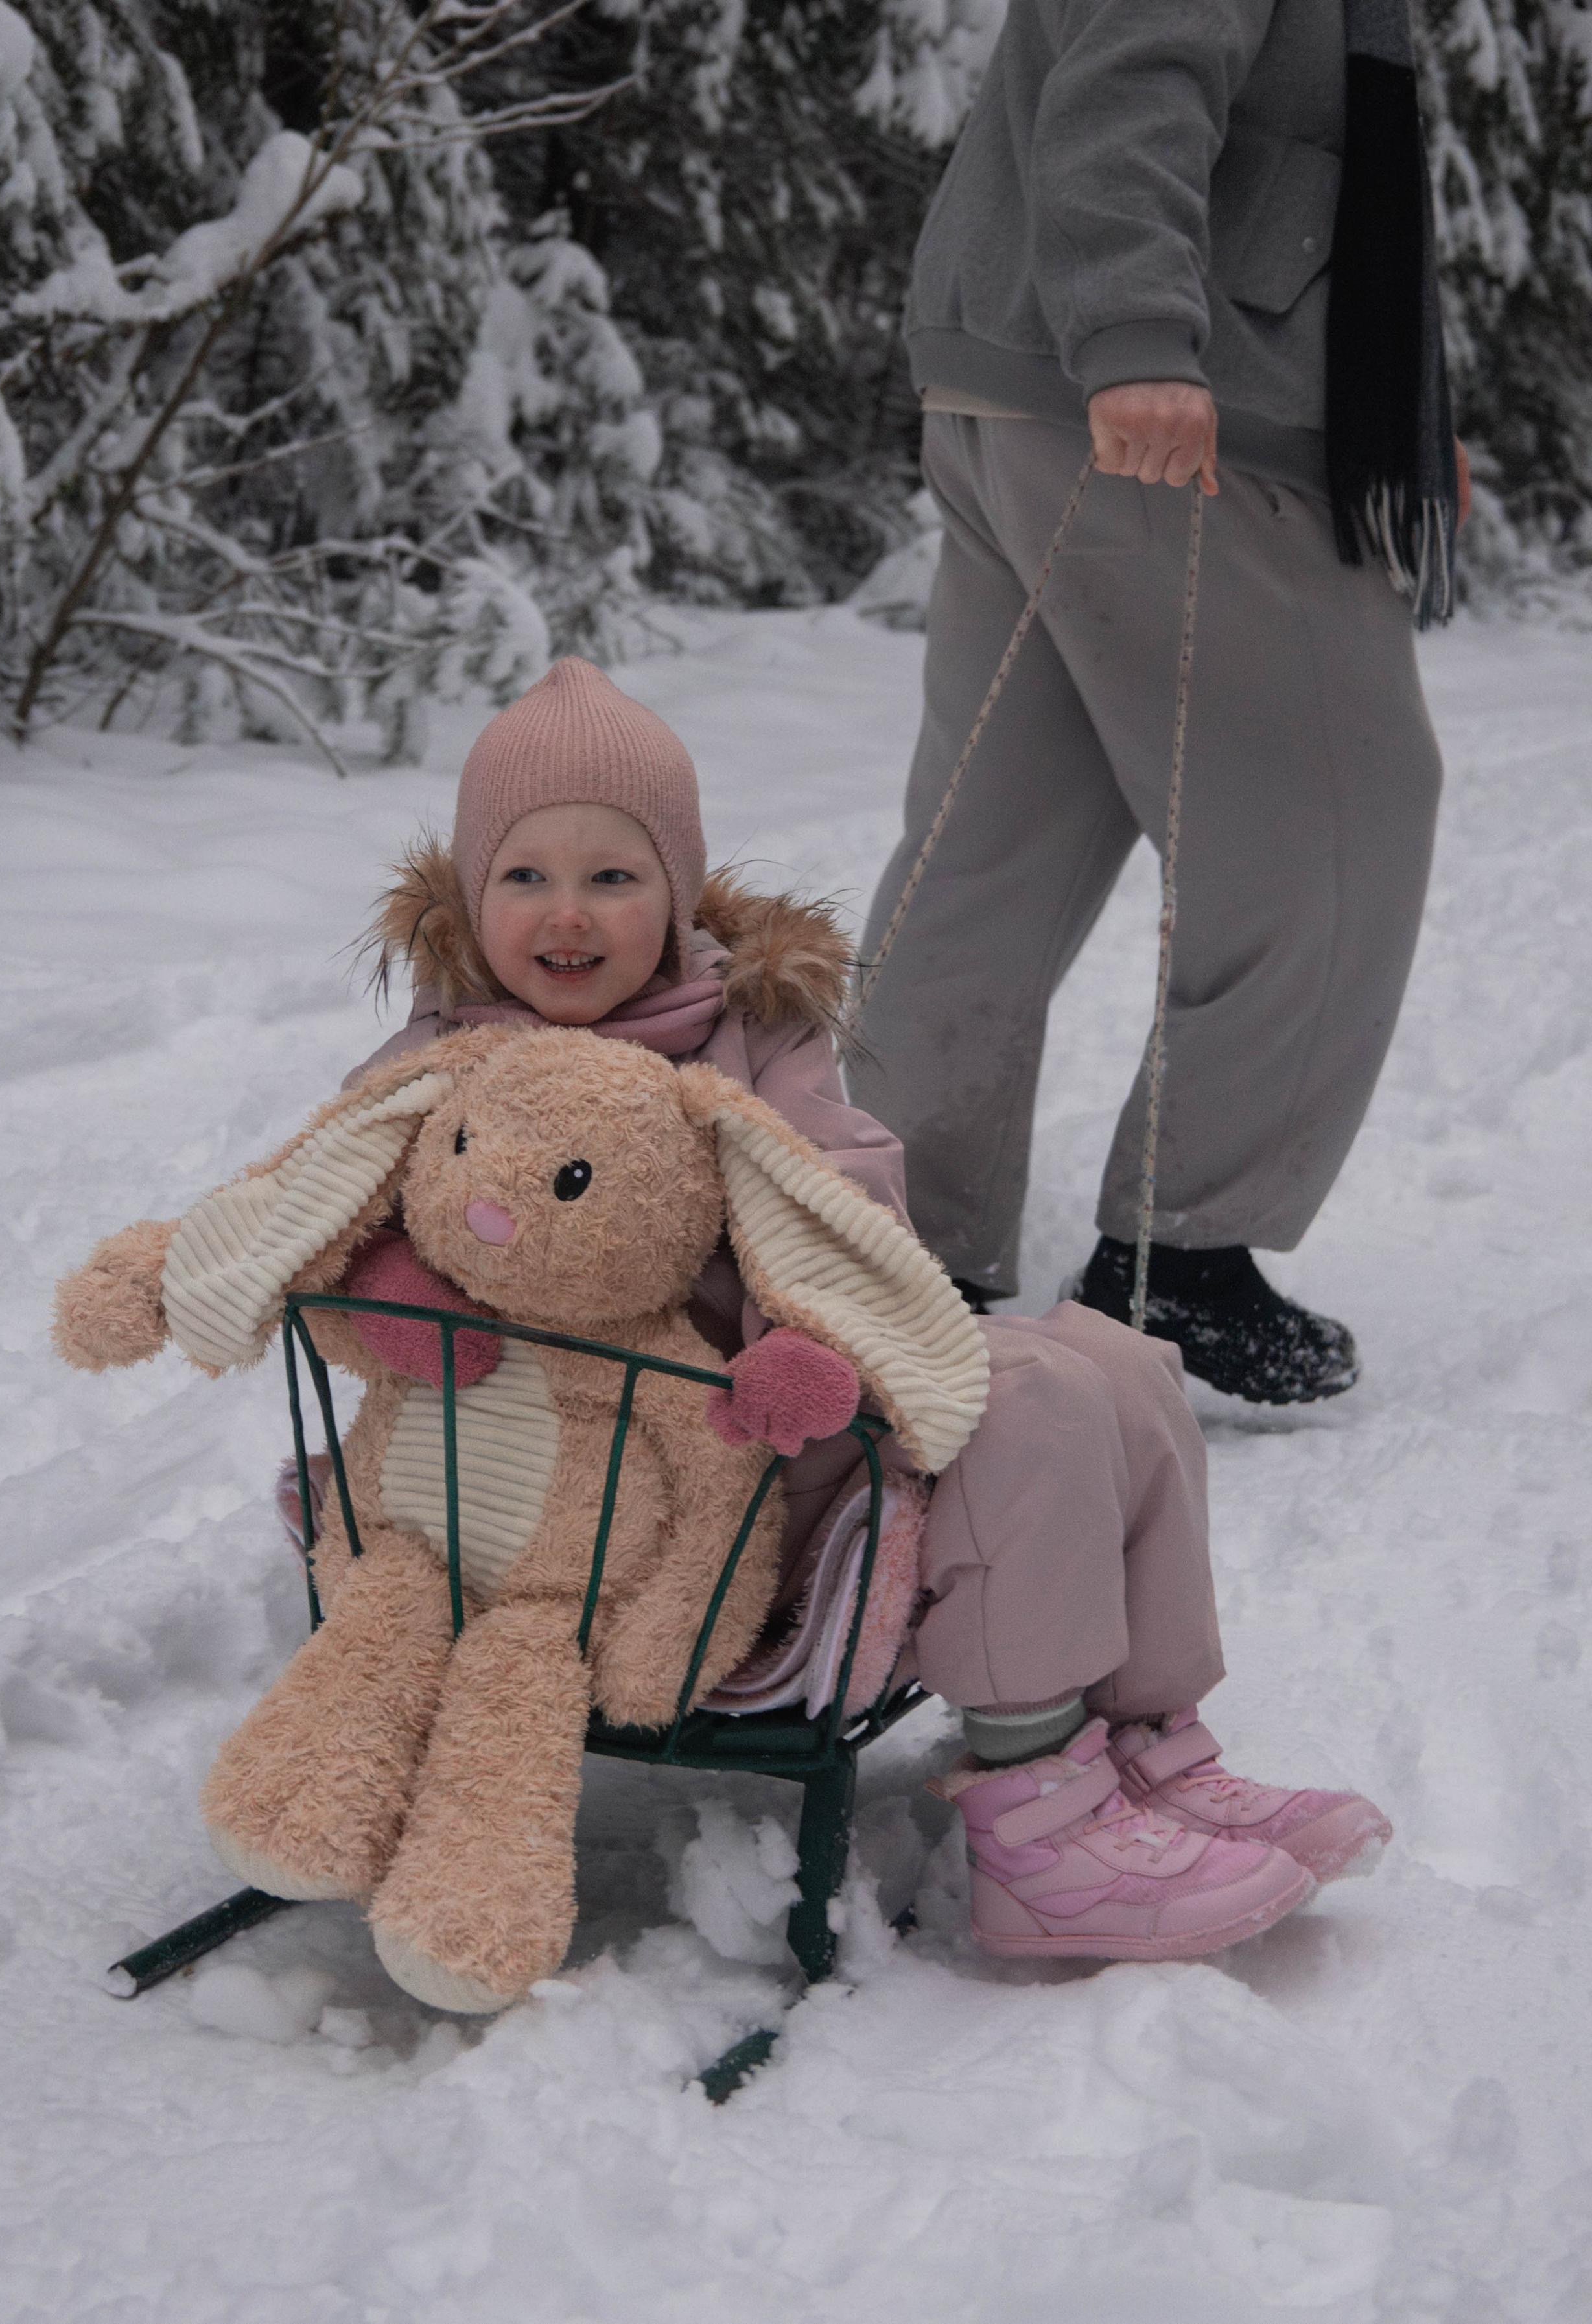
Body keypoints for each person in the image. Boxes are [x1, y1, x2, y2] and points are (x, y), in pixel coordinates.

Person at [341, 655, 1390, 1965]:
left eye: (612, 875)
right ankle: (1037, 1820)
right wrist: (389, 1281)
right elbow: (329, 1211)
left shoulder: (749, 1033)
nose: (569, 914)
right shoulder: (440, 1062)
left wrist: (805, 1279)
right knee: (1024, 1406)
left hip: (781, 1403)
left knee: (1113, 1359)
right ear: (470, 892)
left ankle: (1141, 1744)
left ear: (674, 894)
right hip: (634, 1493)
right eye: (525, 875)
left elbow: (846, 1200)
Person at [848, 0, 1466, 1405]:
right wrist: (1134, 333)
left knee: (989, 844)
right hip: (1150, 409)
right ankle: (1172, 1257)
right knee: (1337, 822)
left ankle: (878, 1235)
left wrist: (1402, 416)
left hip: (1027, 389)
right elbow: (1135, 84)